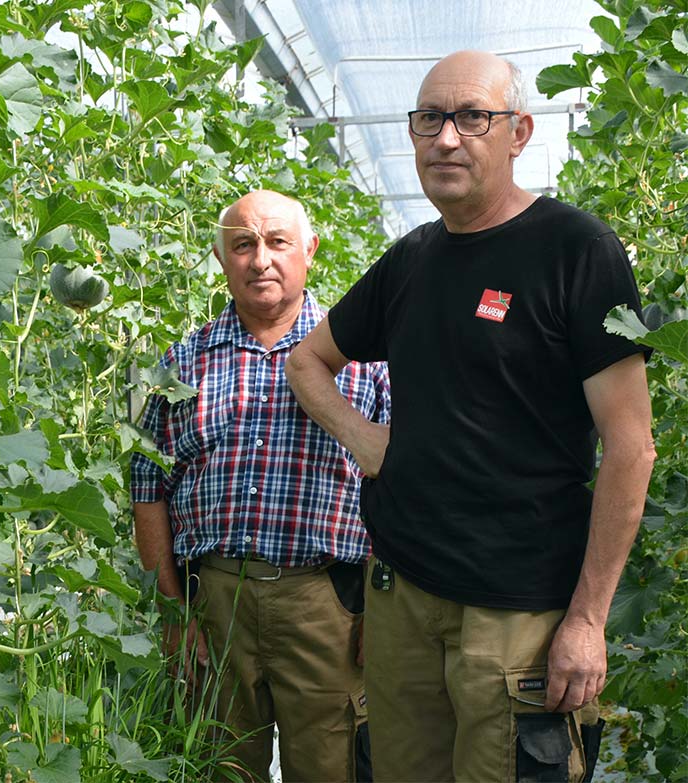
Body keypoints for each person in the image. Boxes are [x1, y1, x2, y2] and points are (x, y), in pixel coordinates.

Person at [285, 50, 656, 782]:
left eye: (471, 117)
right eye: (430, 119)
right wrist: (368, 442)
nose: (446, 138)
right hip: (404, 597)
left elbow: (631, 448)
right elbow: (307, 362)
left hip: (516, 612)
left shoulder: (576, 251)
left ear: (517, 133)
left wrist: (585, 619)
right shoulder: (411, 261)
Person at [130, 189, 390, 782]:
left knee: (332, 766)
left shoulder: (367, 361)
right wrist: (174, 611)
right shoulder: (173, 366)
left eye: (277, 242)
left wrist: (383, 606)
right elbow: (147, 487)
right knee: (220, 765)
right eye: (243, 244)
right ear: (222, 257)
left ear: (309, 251)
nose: (261, 259)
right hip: (216, 599)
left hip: (328, 604)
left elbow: (401, 482)